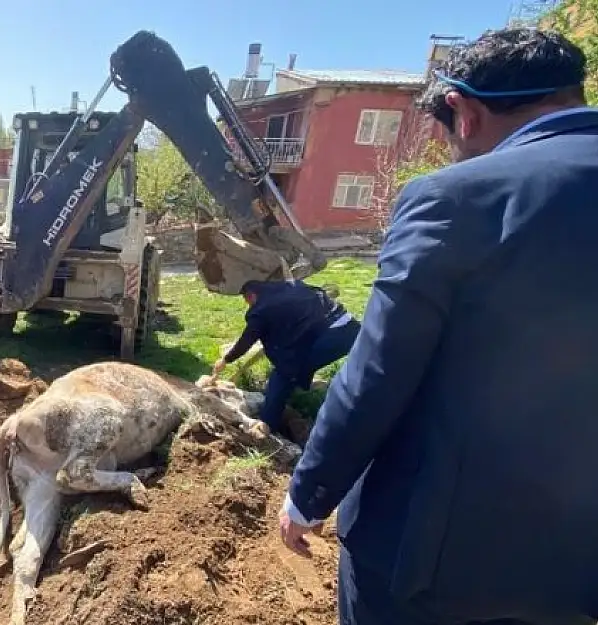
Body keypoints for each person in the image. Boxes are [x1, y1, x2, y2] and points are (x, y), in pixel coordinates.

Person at [277, 28, 598, 625]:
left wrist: (308, 493)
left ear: (462, 111)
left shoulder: (455, 197)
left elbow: (377, 370)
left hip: (434, 561)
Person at [210, 279, 360, 437]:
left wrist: (226, 359)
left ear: (251, 296)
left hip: (330, 336)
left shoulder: (261, 310)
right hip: (351, 328)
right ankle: (302, 395)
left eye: (247, 301)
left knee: (282, 376)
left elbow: (247, 339)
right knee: (294, 366)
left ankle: (265, 430)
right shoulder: (289, 287)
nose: (249, 305)